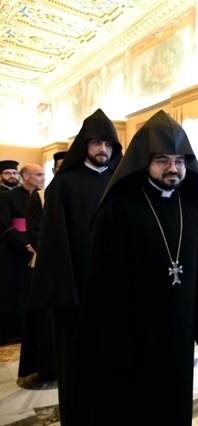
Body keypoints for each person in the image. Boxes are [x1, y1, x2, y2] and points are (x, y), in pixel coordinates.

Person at [75, 109, 198, 425]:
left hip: (179, 333)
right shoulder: (118, 209)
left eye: (179, 161)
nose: (173, 168)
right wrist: (117, 340)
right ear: (145, 162)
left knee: (175, 402)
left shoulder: (193, 209)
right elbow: (105, 284)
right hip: (134, 337)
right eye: (162, 161)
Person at [28, 109, 122, 426]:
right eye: (96, 143)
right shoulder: (63, 185)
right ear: (84, 145)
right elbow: (54, 243)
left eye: (107, 144)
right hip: (76, 296)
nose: (102, 150)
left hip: (114, 296)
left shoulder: (120, 182)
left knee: (113, 366)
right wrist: (66, 295)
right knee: (78, 367)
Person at [18, 151, 67, 387]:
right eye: (60, 167)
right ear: (54, 170)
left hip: (79, 269)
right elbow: (35, 232)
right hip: (47, 267)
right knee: (45, 320)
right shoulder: (39, 197)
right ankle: (48, 366)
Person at [0, 164, 44, 346]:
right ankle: (11, 332)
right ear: (26, 176)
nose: (43, 178)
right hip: (15, 251)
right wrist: (26, 243)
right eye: (39, 175)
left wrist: (38, 243)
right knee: (13, 290)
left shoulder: (42, 196)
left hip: (38, 248)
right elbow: (4, 225)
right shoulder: (7, 197)